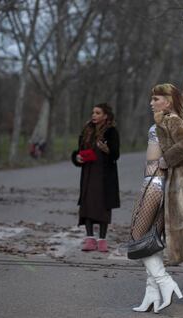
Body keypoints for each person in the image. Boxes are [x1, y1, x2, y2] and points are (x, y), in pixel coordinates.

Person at [130, 45, 183, 313]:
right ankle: (152, 293)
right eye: (151, 99)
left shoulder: (169, 120)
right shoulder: (180, 113)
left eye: (156, 99)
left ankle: (165, 282)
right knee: (152, 238)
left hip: (155, 184)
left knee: (137, 234)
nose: (152, 102)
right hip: (165, 186)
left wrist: (166, 159)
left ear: (168, 102)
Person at [71, 103, 120, 252]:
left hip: (104, 174)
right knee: (87, 204)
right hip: (88, 172)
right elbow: (79, 151)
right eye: (93, 112)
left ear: (105, 116)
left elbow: (116, 154)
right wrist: (77, 157)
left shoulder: (111, 131)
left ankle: (102, 240)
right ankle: (90, 239)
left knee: (103, 205)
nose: (94, 115)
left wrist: (107, 150)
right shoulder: (87, 130)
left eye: (98, 113)